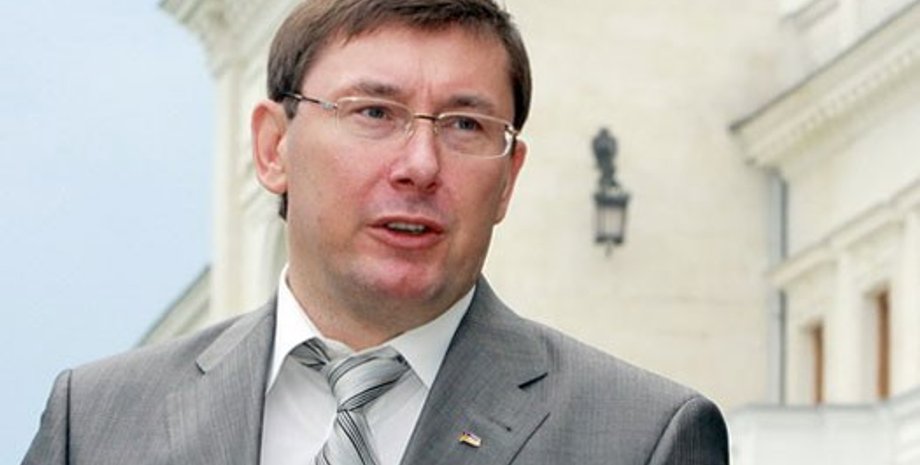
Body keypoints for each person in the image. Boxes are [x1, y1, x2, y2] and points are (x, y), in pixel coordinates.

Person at [22, 0, 729, 464]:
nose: (420, 165)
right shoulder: (99, 424)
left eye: (465, 125)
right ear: (272, 148)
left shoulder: (641, 438)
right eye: (374, 113)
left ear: (508, 178)